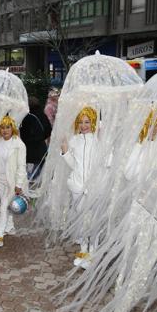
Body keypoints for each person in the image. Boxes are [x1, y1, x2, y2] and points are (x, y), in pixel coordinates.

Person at [60, 106, 98, 269]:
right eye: (81, 122)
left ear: (93, 122)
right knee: (81, 218)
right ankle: (83, 250)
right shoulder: (75, 140)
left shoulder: (99, 139)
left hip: (95, 187)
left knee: (93, 218)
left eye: (87, 122)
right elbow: (73, 165)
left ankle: (93, 251)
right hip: (77, 186)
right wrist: (65, 152)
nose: (84, 125)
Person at [0, 115, 27, 248]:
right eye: (2, 128)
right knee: (6, 205)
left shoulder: (19, 145)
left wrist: (18, 184)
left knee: (3, 206)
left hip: (12, 181)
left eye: (7, 127)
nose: (5, 130)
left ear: (12, 128)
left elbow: (21, 166)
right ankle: (10, 227)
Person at [20, 96, 52, 180]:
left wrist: (27, 141)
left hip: (28, 149)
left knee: (26, 175)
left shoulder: (26, 116)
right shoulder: (42, 115)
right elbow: (49, 129)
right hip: (41, 148)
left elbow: (22, 133)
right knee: (36, 175)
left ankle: (25, 189)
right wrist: (41, 138)